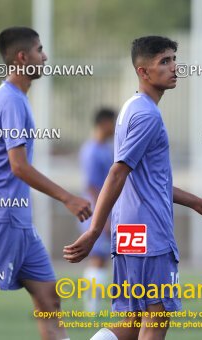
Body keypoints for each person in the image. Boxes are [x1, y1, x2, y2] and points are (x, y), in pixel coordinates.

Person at [63, 36, 202, 340]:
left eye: (174, 59)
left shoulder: (131, 108)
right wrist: (93, 230)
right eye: (164, 62)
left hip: (130, 232)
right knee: (155, 319)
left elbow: (150, 180)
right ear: (144, 72)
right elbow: (117, 172)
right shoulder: (147, 115)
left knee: (129, 322)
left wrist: (194, 202)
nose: (174, 67)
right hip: (149, 232)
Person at [0, 26, 91, 340]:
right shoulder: (10, 101)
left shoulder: (11, 98)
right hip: (2, 217)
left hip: (18, 222)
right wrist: (67, 198)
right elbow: (18, 166)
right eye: (40, 50)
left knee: (49, 299)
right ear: (22, 57)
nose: (45, 56)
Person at [78, 108, 116, 312]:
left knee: (106, 257)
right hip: (96, 210)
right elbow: (91, 186)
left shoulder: (106, 148)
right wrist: (103, 218)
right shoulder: (91, 150)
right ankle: (91, 306)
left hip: (107, 209)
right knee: (97, 257)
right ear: (103, 123)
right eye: (112, 122)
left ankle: (99, 304)